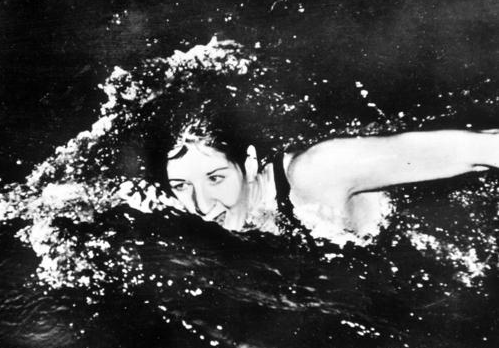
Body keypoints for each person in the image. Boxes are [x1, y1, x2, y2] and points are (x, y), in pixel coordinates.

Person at [165, 120, 499, 241]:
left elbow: (481, 148)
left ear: (249, 164)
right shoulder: (242, 213)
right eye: (181, 186)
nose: (201, 204)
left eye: (215, 178)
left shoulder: (316, 172)